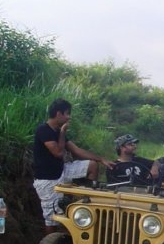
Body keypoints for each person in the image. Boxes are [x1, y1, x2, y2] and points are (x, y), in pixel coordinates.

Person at [33, 98, 115, 234]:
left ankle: (85, 204)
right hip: (47, 180)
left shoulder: (58, 131)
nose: (69, 117)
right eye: (67, 113)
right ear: (58, 114)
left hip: (62, 171)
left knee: (92, 166)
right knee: (53, 218)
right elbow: (58, 153)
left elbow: (76, 150)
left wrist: (101, 159)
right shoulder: (43, 130)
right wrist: (63, 132)